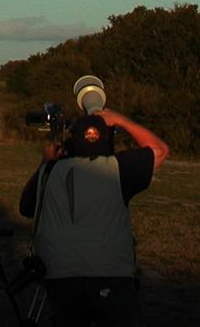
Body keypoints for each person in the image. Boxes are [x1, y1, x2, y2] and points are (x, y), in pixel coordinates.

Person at [18, 108, 169, 326]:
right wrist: (120, 119)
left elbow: (26, 207)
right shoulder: (119, 168)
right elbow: (160, 149)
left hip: (60, 276)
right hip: (112, 275)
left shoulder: (50, 171)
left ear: (71, 143)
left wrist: (45, 162)